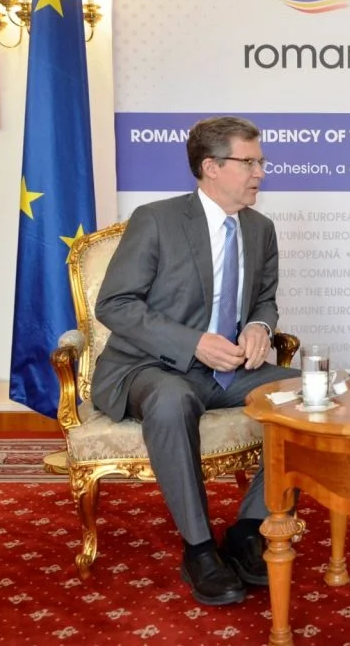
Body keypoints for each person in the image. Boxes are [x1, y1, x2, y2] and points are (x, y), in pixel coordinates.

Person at [91, 116, 299, 606]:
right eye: (250, 162)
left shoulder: (260, 228)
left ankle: (249, 529)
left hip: (227, 372)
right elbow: (114, 304)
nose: (261, 173)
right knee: (171, 398)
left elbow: (265, 298)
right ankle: (200, 548)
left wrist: (258, 326)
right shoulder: (156, 220)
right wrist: (192, 343)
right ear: (212, 167)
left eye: (261, 162)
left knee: (310, 394)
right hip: (149, 368)